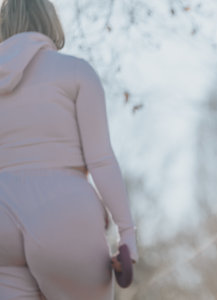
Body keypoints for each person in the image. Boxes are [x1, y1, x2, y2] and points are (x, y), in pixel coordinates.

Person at [0, 0, 138, 299]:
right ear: (51, 22)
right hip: (63, 211)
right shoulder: (75, 72)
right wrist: (127, 236)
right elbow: (101, 161)